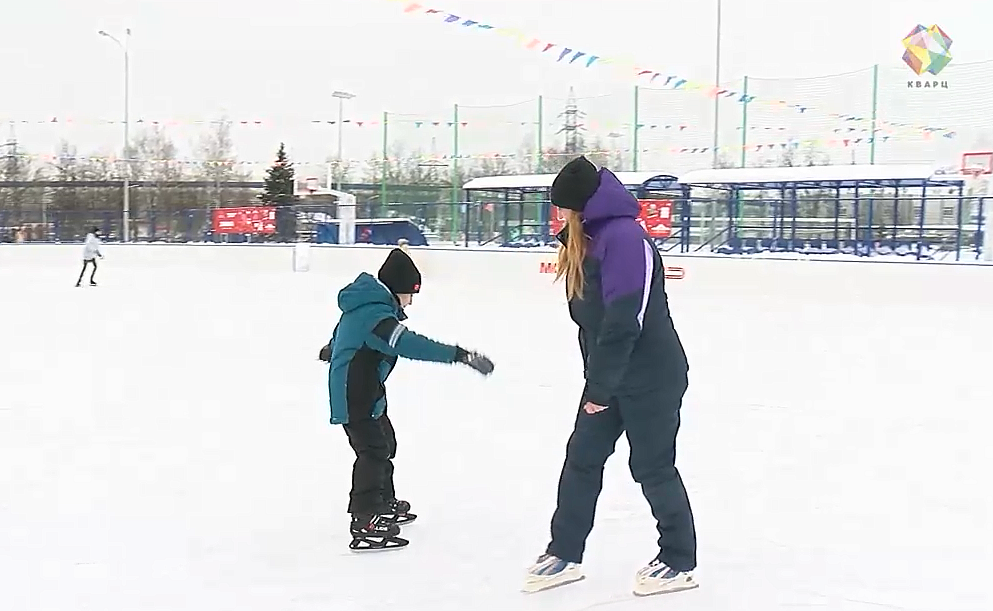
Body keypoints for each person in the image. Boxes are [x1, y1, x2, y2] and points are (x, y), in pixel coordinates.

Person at [523, 157, 697, 597]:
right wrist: (599, 381)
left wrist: (600, 387)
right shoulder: (591, 239)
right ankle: (564, 552)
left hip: (651, 375)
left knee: (652, 467)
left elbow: (626, 318)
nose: (559, 218)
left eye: (564, 209)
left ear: (583, 206)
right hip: (609, 374)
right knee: (581, 458)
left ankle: (678, 561)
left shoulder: (624, 238)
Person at [319, 248, 494, 551]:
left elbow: (340, 333)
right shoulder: (376, 317)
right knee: (372, 450)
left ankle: (383, 502)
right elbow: (410, 344)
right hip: (355, 395)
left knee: (385, 443)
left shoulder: (365, 308)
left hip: (366, 391)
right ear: (398, 289)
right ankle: (365, 517)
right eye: (410, 294)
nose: (411, 301)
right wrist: (458, 355)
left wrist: (332, 348)